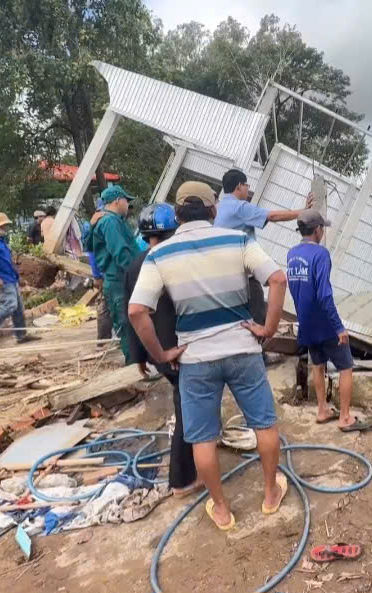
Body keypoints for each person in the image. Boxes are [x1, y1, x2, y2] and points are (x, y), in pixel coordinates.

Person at [129, 183, 288, 532]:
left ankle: (221, 508)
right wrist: (269, 328)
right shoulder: (238, 240)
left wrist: (161, 354)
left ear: (178, 213)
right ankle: (270, 493)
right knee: (264, 424)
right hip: (243, 350)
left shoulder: (159, 255)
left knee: (202, 438)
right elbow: (277, 279)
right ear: (213, 210)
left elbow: (138, 311)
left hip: (195, 359)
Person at [123, 198, 201, 496]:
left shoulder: (134, 266)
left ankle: (198, 451)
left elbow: (130, 314)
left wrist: (140, 356)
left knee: (186, 401)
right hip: (178, 351)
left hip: (157, 351)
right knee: (187, 408)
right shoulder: (174, 260)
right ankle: (182, 479)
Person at [286, 210, 372, 432]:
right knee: (346, 367)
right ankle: (345, 417)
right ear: (317, 230)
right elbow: (324, 294)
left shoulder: (292, 254)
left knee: (318, 364)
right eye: (322, 228)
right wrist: (338, 327)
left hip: (305, 321)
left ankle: (322, 409)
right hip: (324, 322)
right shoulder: (321, 255)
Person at [213, 168, 312, 325]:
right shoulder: (240, 207)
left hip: (219, 277)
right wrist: (305, 211)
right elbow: (273, 216)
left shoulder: (217, 208)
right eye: (247, 185)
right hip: (243, 279)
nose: (248, 189)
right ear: (239, 186)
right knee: (257, 318)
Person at [0, 212, 41, 347]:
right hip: (0, 280)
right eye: (4, 226)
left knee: (18, 308)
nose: (5, 228)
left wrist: (16, 276)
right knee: (9, 305)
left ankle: (21, 335)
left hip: (9, 278)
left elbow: (5, 260)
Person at [89, 185, 138, 362]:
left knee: (129, 322)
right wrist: (137, 273)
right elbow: (121, 253)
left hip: (120, 278)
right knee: (125, 324)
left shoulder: (112, 220)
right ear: (118, 200)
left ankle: (136, 362)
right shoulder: (110, 222)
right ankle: (133, 366)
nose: (127, 205)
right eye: (126, 201)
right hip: (118, 279)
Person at [83, 199, 113, 346]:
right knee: (105, 306)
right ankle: (103, 340)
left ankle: (107, 338)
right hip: (105, 273)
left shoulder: (108, 224)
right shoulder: (93, 227)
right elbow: (92, 253)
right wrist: (97, 276)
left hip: (110, 272)